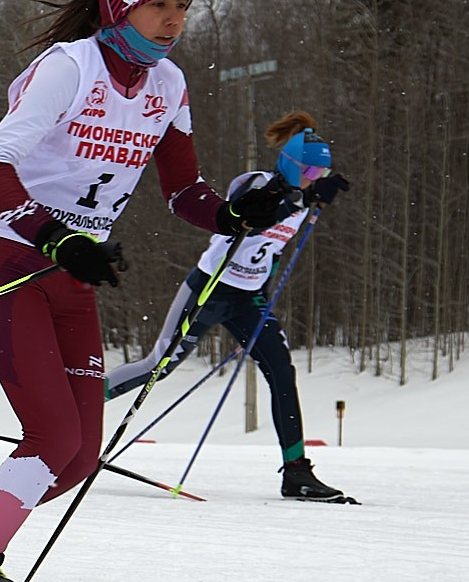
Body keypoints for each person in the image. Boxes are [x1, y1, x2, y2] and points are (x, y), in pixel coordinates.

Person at [0, 0, 293, 582]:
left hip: (74, 274)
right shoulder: (67, 70)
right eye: (160, 4)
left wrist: (230, 214)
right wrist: (55, 235)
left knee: (78, 458)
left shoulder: (169, 86)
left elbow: (183, 189)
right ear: (120, 5)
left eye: (184, 6)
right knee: (49, 436)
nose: (174, 19)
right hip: (12, 261)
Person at [103, 112, 354, 501]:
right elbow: (247, 218)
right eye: (309, 170)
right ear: (290, 163)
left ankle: (296, 473)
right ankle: (75, 408)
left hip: (248, 299)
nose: (315, 178)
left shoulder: (303, 200)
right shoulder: (260, 184)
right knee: (159, 366)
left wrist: (305, 201)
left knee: (282, 373)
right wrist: (298, 199)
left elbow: (269, 251)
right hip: (209, 289)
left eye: (322, 172)